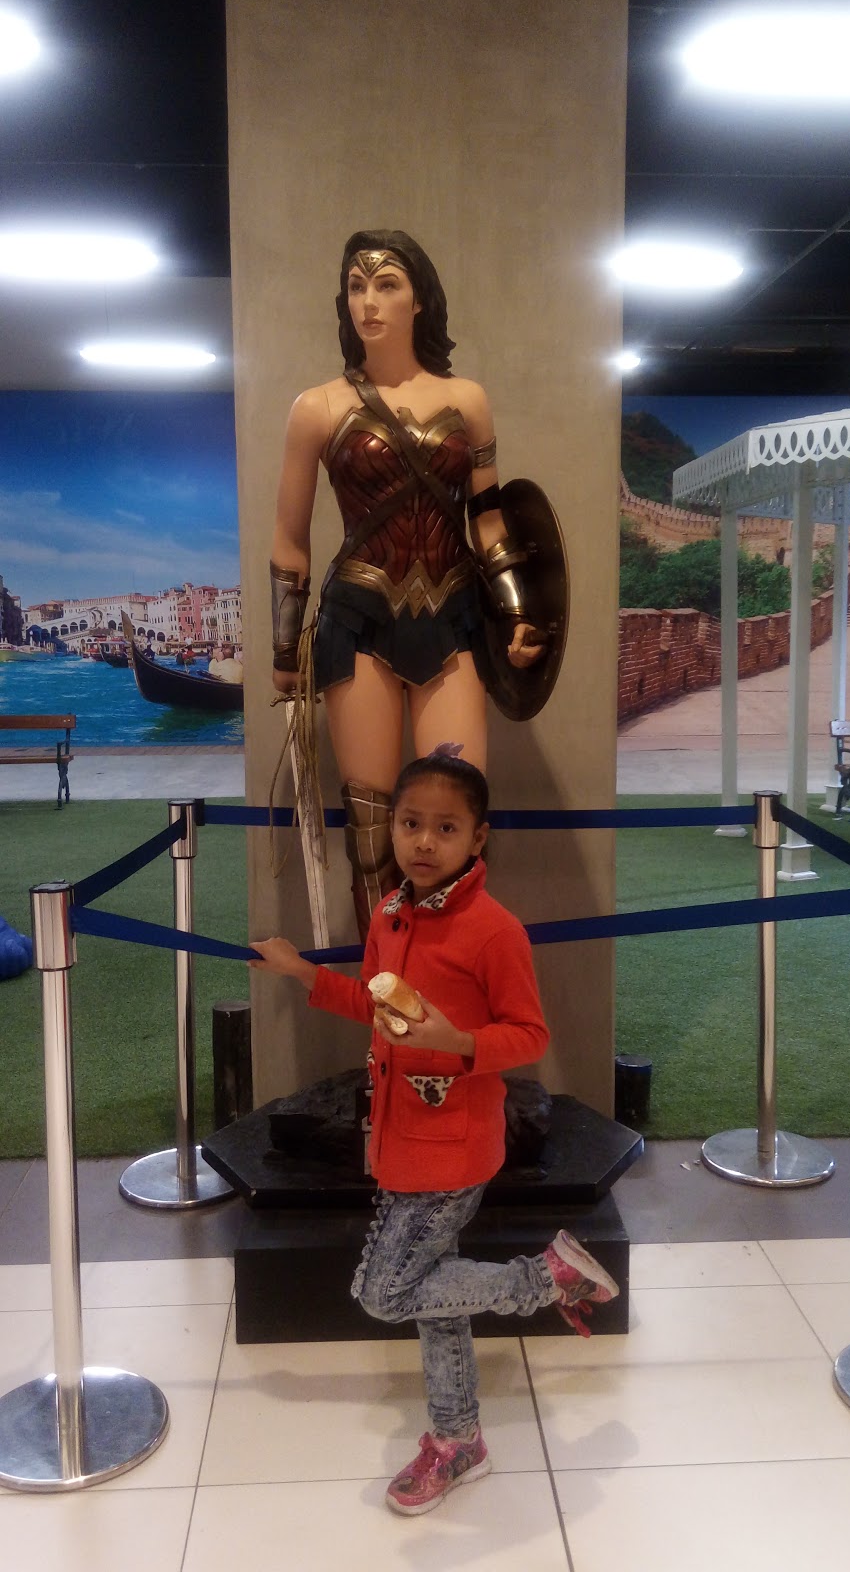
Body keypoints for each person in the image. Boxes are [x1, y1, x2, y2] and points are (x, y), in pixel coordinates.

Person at [249, 750, 619, 1517]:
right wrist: (302, 973)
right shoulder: (391, 912)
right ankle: (459, 1439)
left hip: (453, 1149)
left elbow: (531, 1035)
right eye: (411, 823)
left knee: (384, 1293)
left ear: (477, 838)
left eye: (445, 828)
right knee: (433, 1300)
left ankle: (546, 1278)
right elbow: (375, 1004)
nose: (423, 841)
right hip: (397, 1138)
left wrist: (459, 1042)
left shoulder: (494, 931)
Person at [270, 228, 546, 938]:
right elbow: (290, 539)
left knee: (452, 810)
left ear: (419, 298)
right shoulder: (316, 408)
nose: (369, 300)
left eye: (387, 284)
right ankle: (386, 988)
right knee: (371, 828)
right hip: (358, 620)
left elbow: (489, 520)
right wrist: (283, 649)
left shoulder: (468, 400)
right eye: (356, 285)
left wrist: (518, 611)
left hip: (452, 617)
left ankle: (451, 976)